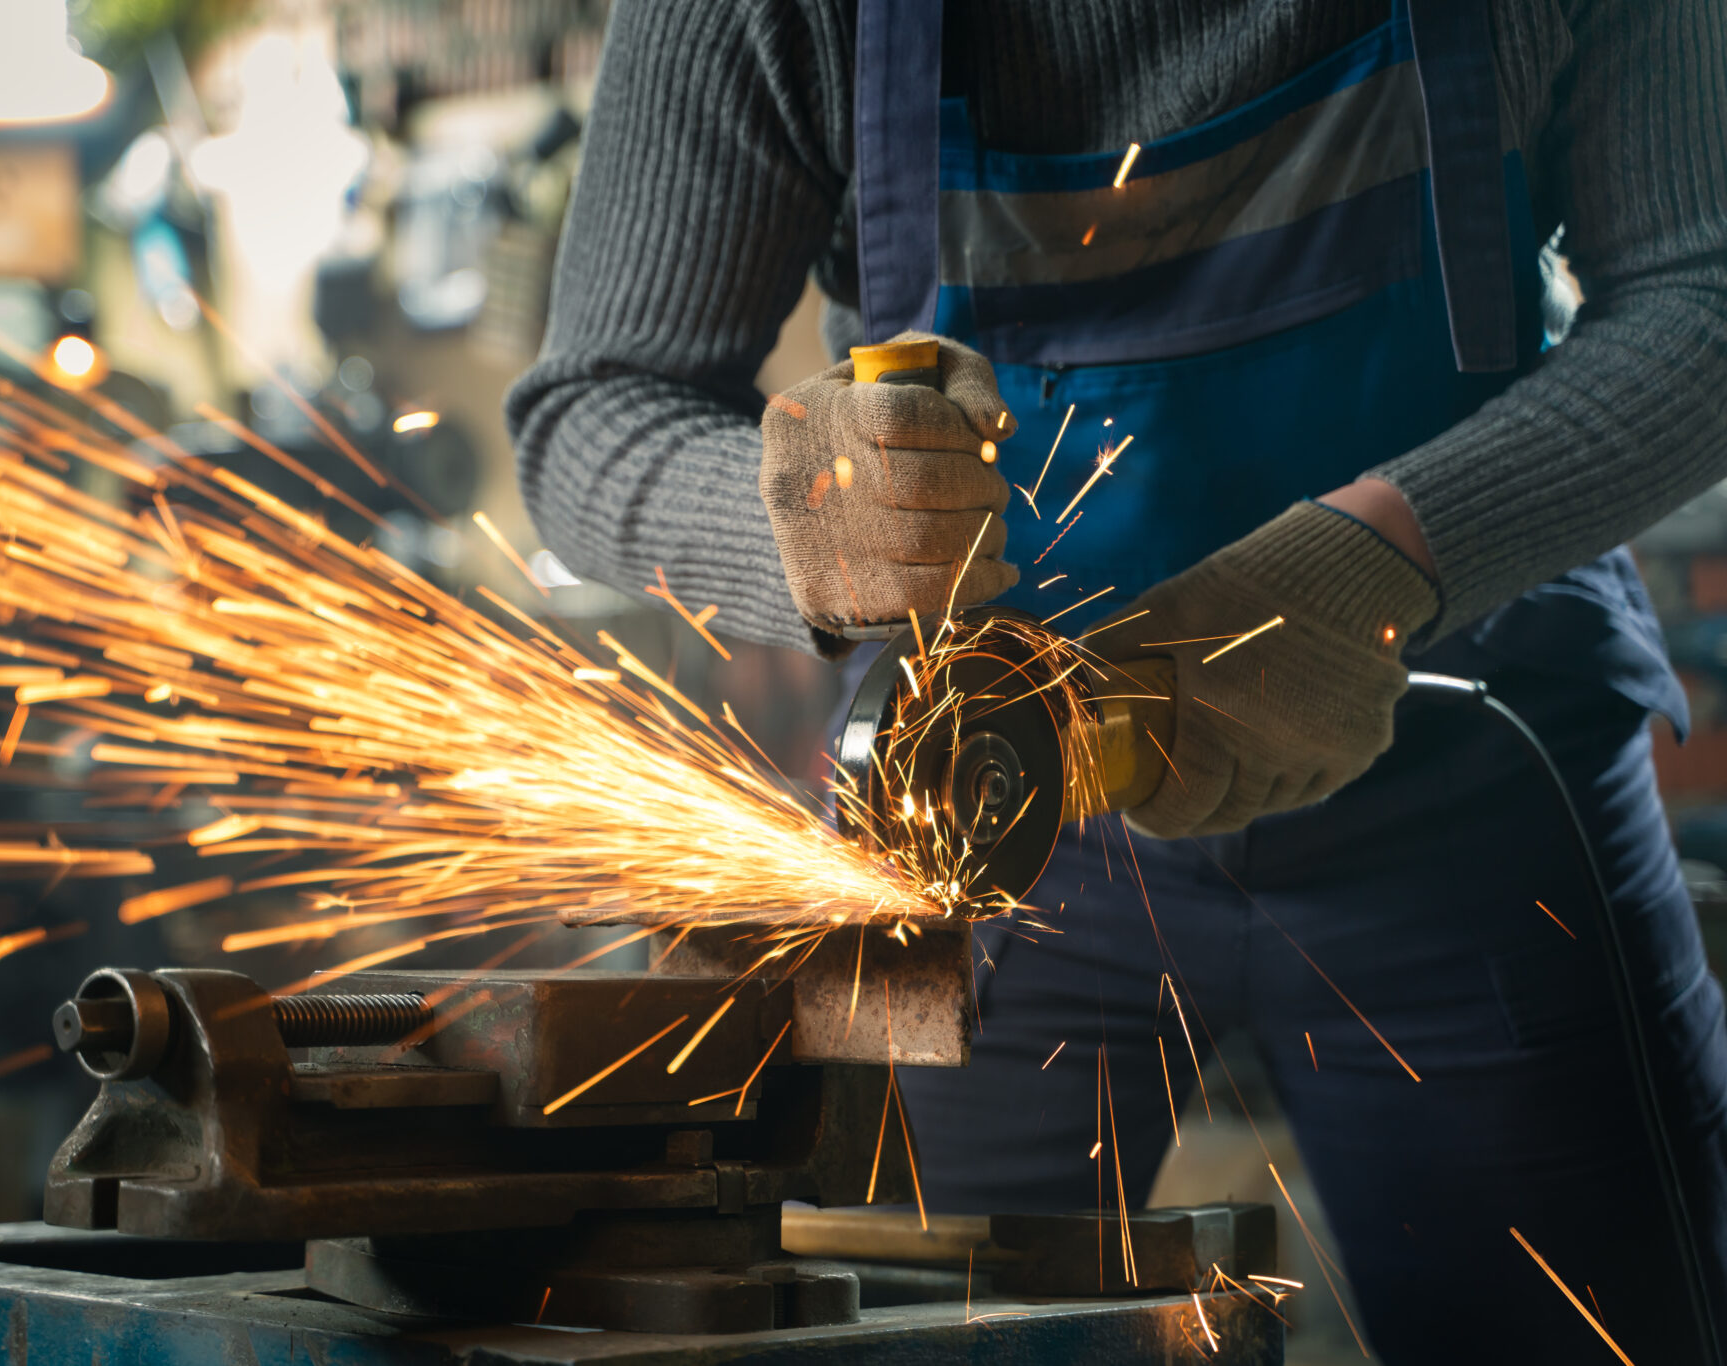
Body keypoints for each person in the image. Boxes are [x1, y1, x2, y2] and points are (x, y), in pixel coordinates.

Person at [506, 2, 1727, 1359]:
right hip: (976, 818)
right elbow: (592, 411)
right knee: (894, 1332)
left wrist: (1387, 562)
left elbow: (1703, 289)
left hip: (1468, 747)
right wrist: (803, 522)